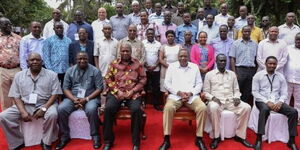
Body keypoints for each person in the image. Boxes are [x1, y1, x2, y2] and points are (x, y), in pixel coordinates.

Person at [0, 53, 62, 150]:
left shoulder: (52, 75)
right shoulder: (19, 76)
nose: (35, 62)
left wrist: (44, 108)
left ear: (42, 62)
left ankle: (46, 141)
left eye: (38, 60)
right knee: (3, 116)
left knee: (52, 114)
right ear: (27, 62)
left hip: (46, 104)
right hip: (26, 104)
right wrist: (23, 111)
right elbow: (16, 96)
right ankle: (17, 142)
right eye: (32, 60)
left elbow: (55, 95)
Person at [158, 49, 207, 150]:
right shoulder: (172, 67)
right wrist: (179, 93)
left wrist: (191, 93)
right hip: (176, 96)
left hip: (191, 96)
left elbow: (199, 83)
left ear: (188, 57)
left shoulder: (194, 67)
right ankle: (166, 139)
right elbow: (167, 83)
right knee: (168, 108)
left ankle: (199, 138)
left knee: (202, 107)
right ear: (178, 57)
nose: (183, 58)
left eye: (185, 56)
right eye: (181, 56)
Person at [102, 43, 146, 150]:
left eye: (127, 51)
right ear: (120, 52)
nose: (125, 53)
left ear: (131, 52)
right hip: (117, 93)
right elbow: (108, 78)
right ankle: (108, 141)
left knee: (136, 110)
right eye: (123, 51)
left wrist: (133, 91)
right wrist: (117, 91)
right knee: (108, 109)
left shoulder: (137, 64)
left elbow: (143, 79)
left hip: (133, 93)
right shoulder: (113, 64)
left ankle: (136, 142)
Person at [204, 54, 252, 149]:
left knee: (247, 107)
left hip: (230, 101)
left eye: (224, 61)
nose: (223, 63)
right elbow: (205, 92)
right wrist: (213, 98)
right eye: (220, 61)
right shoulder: (209, 75)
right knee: (213, 107)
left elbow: (236, 90)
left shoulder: (232, 74)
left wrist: (237, 97)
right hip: (216, 101)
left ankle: (240, 136)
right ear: (216, 62)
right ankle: (216, 137)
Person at [56, 52, 103, 150]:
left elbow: (99, 88)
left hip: (90, 97)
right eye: (79, 59)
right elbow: (65, 88)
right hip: (73, 97)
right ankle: (65, 136)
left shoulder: (95, 71)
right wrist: (74, 99)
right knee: (61, 108)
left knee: (91, 109)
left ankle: (95, 136)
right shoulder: (69, 71)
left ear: (88, 59)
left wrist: (86, 99)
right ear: (75, 60)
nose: (82, 61)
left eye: (84, 58)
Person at [252, 56, 298, 150]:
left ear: (276, 65)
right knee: (264, 109)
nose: (272, 66)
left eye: (274, 64)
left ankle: (292, 140)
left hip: (277, 101)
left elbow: (284, 92)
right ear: (265, 64)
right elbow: (255, 92)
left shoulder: (280, 76)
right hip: (262, 100)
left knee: (294, 112)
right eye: (270, 63)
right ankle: (259, 138)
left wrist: (280, 102)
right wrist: (266, 102)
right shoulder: (258, 75)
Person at [229, 26, 258, 104]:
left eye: (248, 31)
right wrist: (234, 72)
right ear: (242, 32)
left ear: (250, 33)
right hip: (240, 70)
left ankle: (244, 107)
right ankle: (236, 107)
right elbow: (232, 58)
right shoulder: (236, 43)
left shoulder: (255, 43)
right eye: (245, 31)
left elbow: (256, 59)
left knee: (247, 91)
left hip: (251, 70)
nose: (247, 33)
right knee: (238, 90)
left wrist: (255, 71)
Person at [0, 17, 21, 111]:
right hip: (2, 70)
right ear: (0, 26)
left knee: (17, 94)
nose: (8, 26)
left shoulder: (18, 38)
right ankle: (6, 118)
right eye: (5, 24)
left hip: (16, 69)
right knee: (4, 96)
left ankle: (18, 115)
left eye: (9, 24)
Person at [143, 28, 162, 111]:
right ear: (146, 35)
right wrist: (146, 66)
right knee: (145, 87)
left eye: (152, 34)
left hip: (156, 69)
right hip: (145, 69)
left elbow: (159, 57)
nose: (150, 35)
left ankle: (156, 104)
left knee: (155, 87)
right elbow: (142, 56)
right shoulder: (143, 43)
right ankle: (143, 103)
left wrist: (154, 66)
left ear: (154, 34)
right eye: (149, 34)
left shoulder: (158, 44)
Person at [284, 33, 300, 124]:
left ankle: (297, 119)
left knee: (298, 101)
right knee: (286, 99)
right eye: (297, 39)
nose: (298, 41)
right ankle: (285, 117)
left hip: (299, 80)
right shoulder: (288, 48)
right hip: (287, 78)